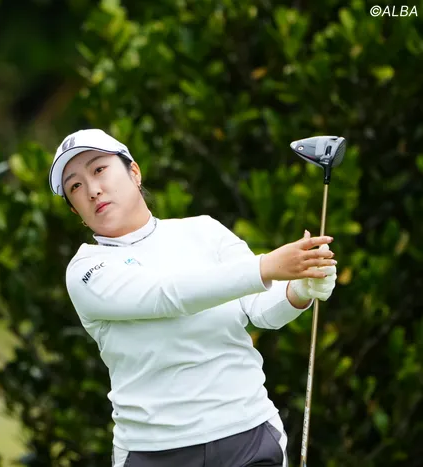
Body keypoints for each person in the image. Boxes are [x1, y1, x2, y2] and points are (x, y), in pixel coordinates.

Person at [48, 129, 338, 467]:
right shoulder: (87, 269)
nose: (93, 189)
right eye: (75, 186)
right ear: (76, 211)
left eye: (99, 169)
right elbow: (166, 295)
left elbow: (260, 309)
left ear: (134, 172)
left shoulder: (204, 231)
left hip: (248, 435)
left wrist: (300, 290)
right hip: (153, 453)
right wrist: (266, 266)